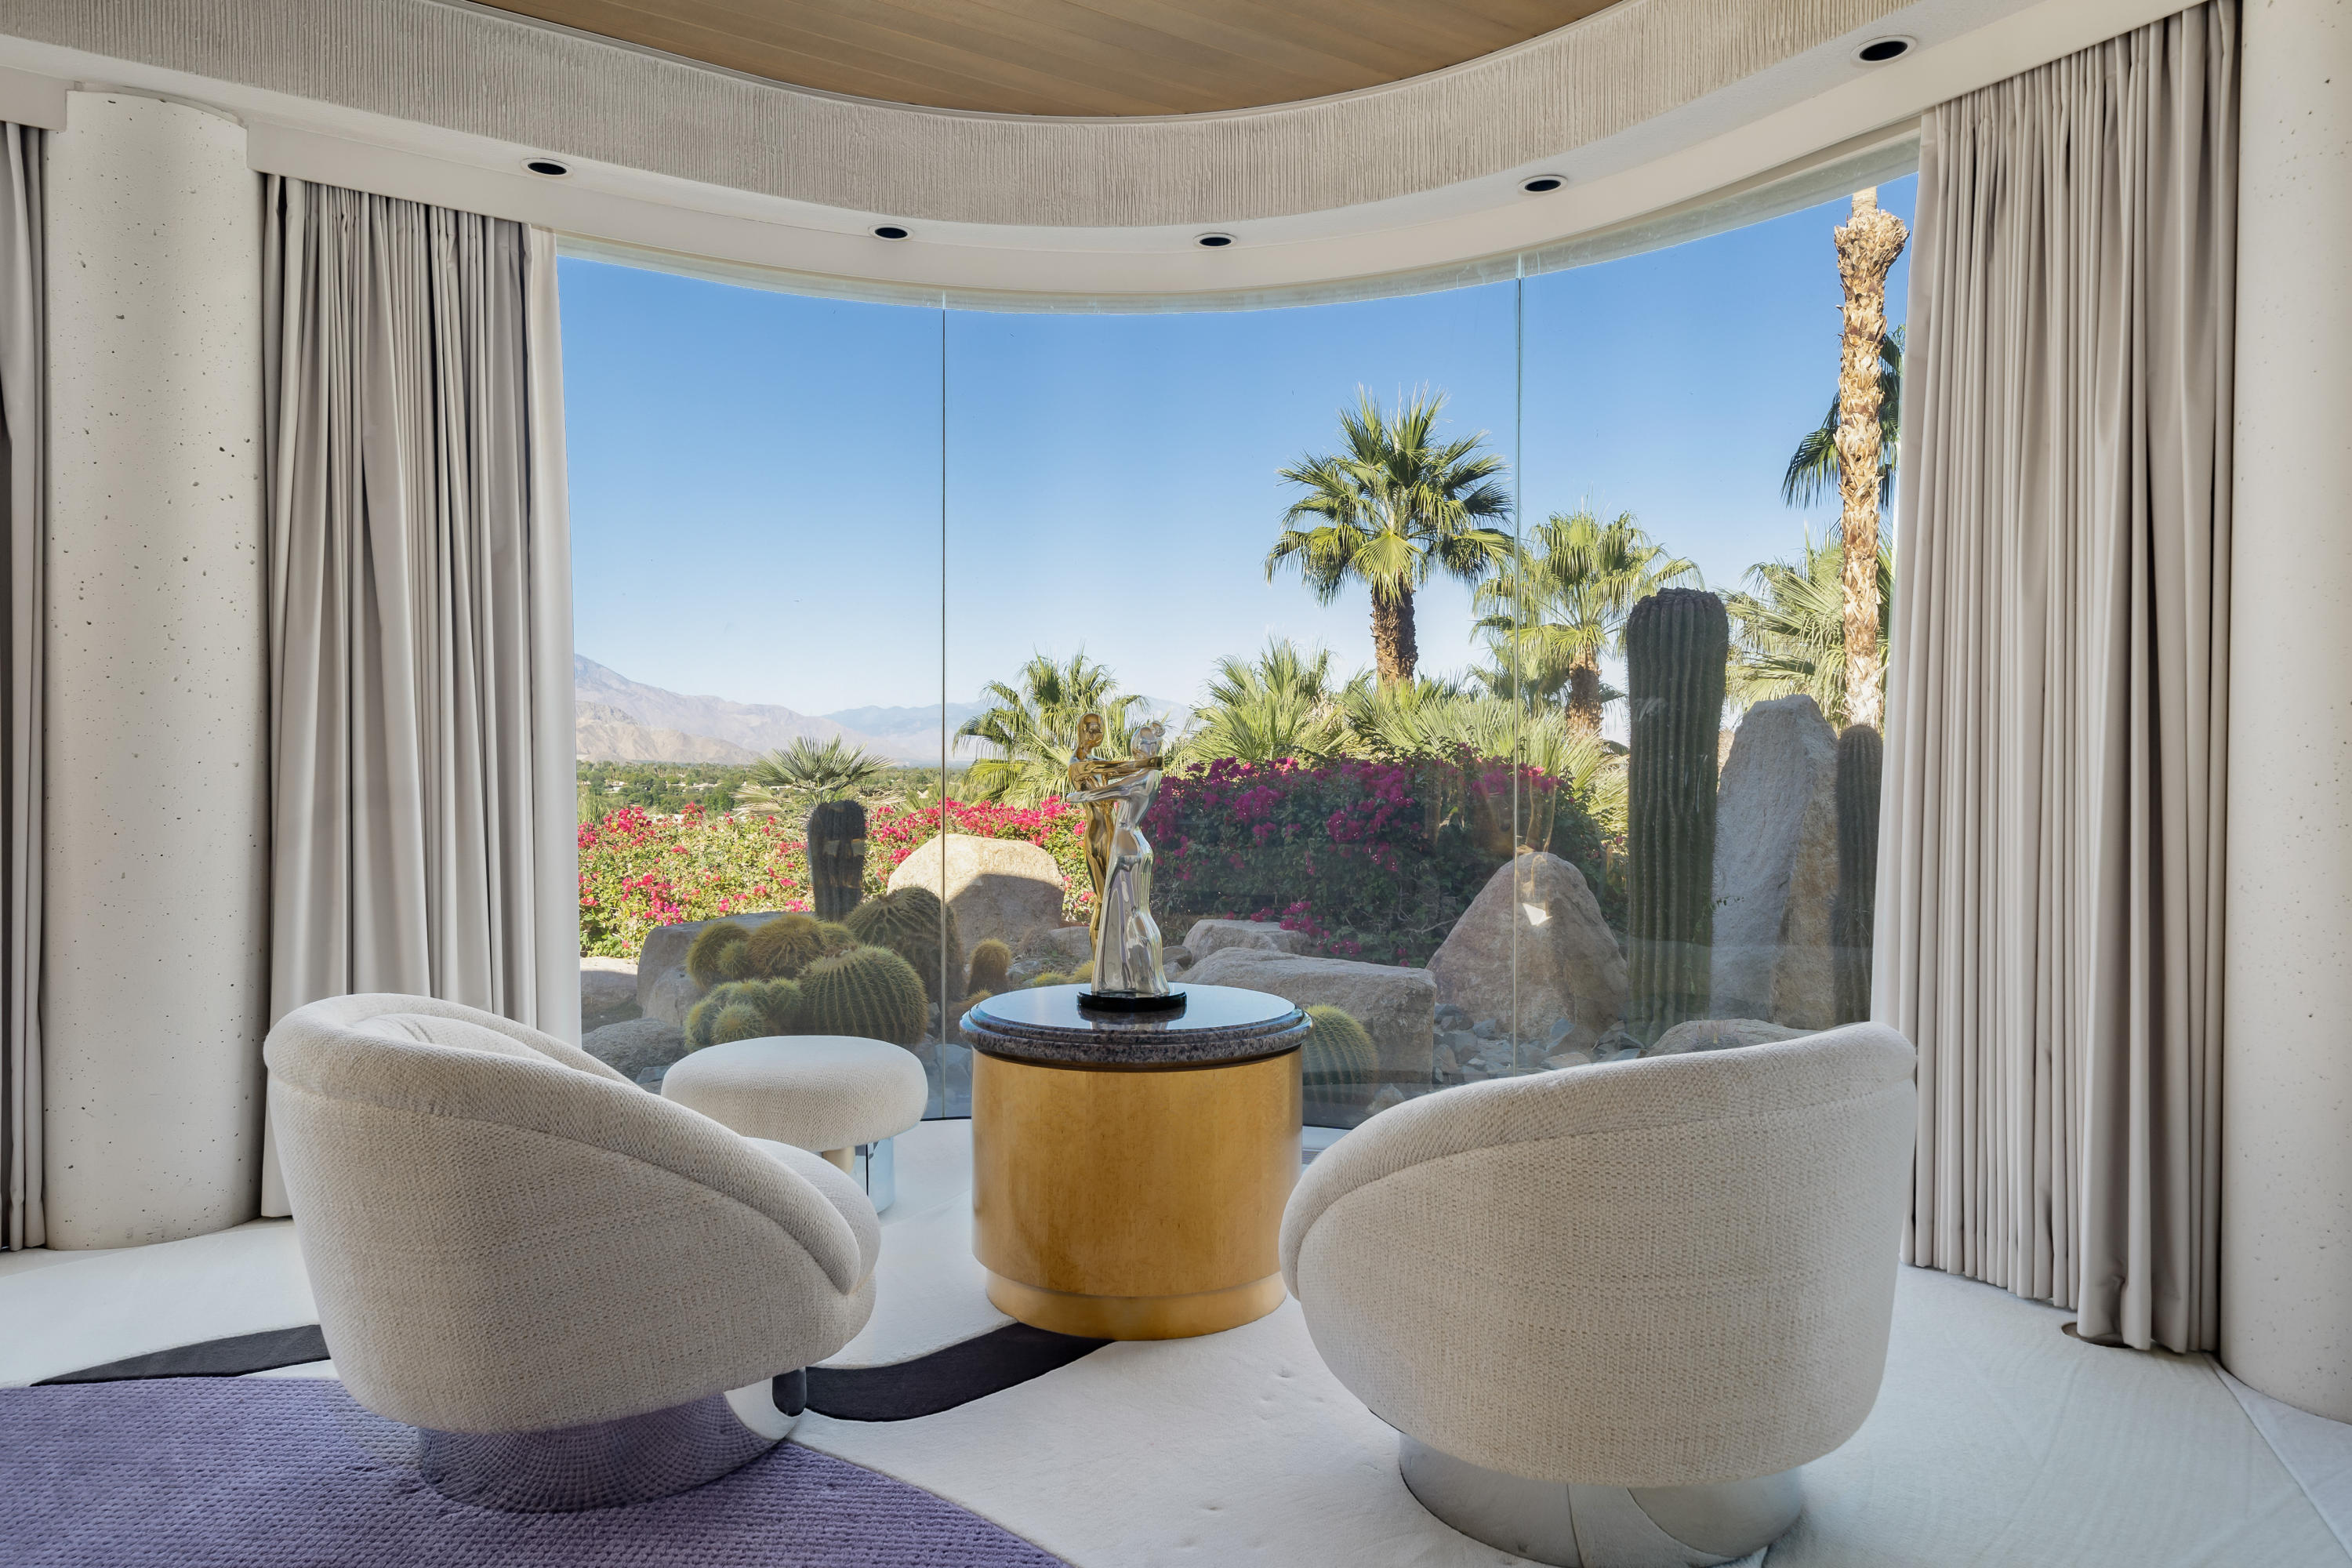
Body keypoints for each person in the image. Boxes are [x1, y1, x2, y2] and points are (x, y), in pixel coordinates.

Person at [1063, 724, 1168, 997]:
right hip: (1138, 843)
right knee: (1134, 910)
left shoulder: (1141, 777)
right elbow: (1117, 773)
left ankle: (1138, 979)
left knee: (1127, 913)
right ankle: (1135, 979)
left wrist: (1075, 795)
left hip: (1125, 845)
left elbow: (1102, 793)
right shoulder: (1151, 774)